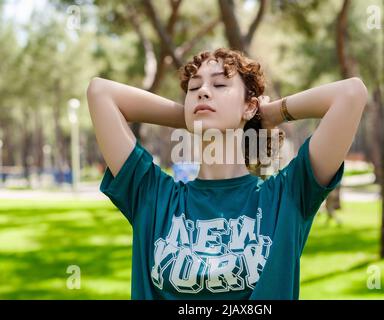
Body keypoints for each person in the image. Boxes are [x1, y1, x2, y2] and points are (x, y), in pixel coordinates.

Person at [87, 47, 367, 300]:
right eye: (194, 88)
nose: (203, 91)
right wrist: (190, 115)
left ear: (249, 105)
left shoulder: (287, 196)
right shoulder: (153, 195)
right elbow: (100, 93)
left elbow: (350, 94)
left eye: (219, 84)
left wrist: (267, 114)